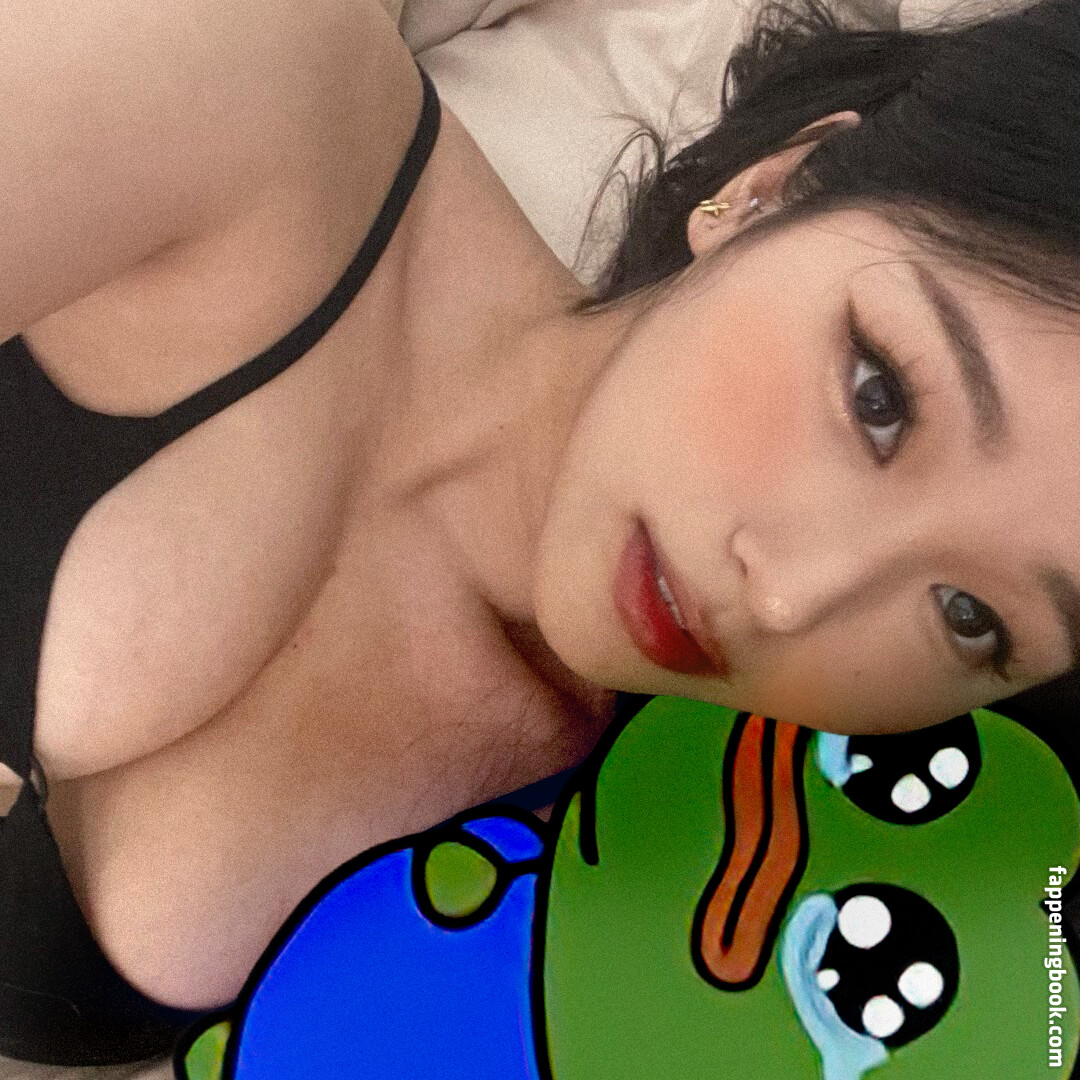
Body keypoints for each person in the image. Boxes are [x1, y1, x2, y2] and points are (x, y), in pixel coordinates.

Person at [0, 0, 1076, 1064]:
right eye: (879, 398)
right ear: (769, 189)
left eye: (970, 616)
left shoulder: (666, 881)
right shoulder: (249, 83)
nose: (792, 599)